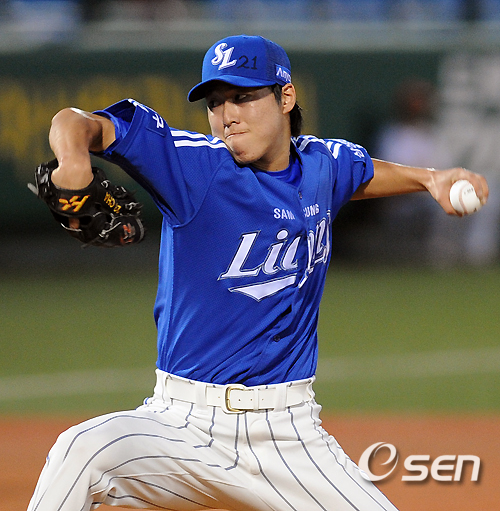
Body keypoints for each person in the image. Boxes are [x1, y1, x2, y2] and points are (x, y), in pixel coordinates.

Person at [28, 35, 488, 511]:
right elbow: (75, 122)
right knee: (81, 451)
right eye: (215, 102)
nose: (227, 115)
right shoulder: (194, 167)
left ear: (285, 97)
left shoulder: (322, 166)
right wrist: (73, 162)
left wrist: (430, 178)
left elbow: (361, 173)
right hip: (181, 427)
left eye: (243, 96)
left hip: (290, 438)